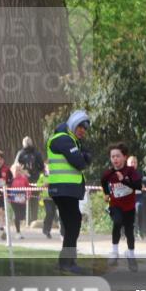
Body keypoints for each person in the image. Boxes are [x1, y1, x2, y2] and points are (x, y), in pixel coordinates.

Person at [47, 109, 93, 273]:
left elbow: (86, 157)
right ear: (73, 124)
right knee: (73, 224)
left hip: (67, 190)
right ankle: (67, 263)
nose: (83, 131)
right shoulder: (63, 139)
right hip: (63, 189)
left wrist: (84, 155)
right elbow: (80, 162)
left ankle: (65, 261)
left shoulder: (71, 140)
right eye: (80, 127)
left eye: (85, 129)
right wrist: (83, 156)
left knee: (71, 224)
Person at [101, 143, 142, 271]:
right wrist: (107, 193)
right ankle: (114, 252)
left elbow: (138, 186)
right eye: (112, 157)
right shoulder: (109, 173)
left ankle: (130, 254)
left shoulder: (131, 171)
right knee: (117, 222)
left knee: (129, 231)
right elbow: (103, 181)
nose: (115, 159)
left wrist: (124, 180)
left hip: (129, 207)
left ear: (125, 157)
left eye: (118, 156)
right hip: (115, 205)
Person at [8, 163, 31, 240]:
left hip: (22, 200)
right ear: (12, 171)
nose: (17, 171)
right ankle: (18, 232)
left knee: (22, 216)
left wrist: (28, 195)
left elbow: (28, 188)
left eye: (18, 170)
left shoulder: (24, 178)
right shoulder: (10, 179)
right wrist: (8, 196)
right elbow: (7, 189)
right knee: (17, 215)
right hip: (13, 199)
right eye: (15, 170)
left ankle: (16, 220)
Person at [37, 166, 58, 239]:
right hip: (46, 198)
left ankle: (47, 230)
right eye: (48, 167)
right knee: (49, 212)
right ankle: (45, 229)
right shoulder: (42, 176)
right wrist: (43, 185)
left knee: (52, 214)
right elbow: (37, 185)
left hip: (55, 197)